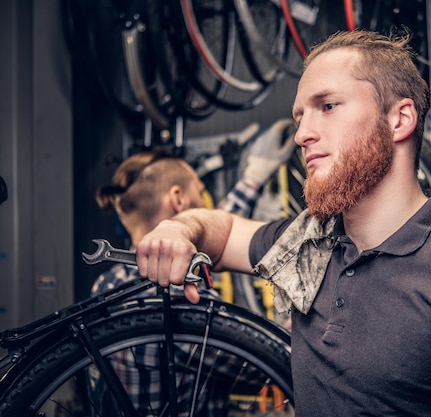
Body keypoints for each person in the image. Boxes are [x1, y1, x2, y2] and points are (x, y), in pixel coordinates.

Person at [135, 30, 431, 417]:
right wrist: (179, 230)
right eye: (300, 116)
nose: (302, 134)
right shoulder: (308, 244)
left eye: (327, 106)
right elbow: (225, 231)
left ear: (399, 119)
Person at [88, 119, 295, 416]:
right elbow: (260, 364)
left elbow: (212, 231)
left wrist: (252, 179)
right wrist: (301, 323)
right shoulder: (177, 291)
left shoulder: (106, 282)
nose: (205, 202)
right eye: (200, 191)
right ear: (178, 199)